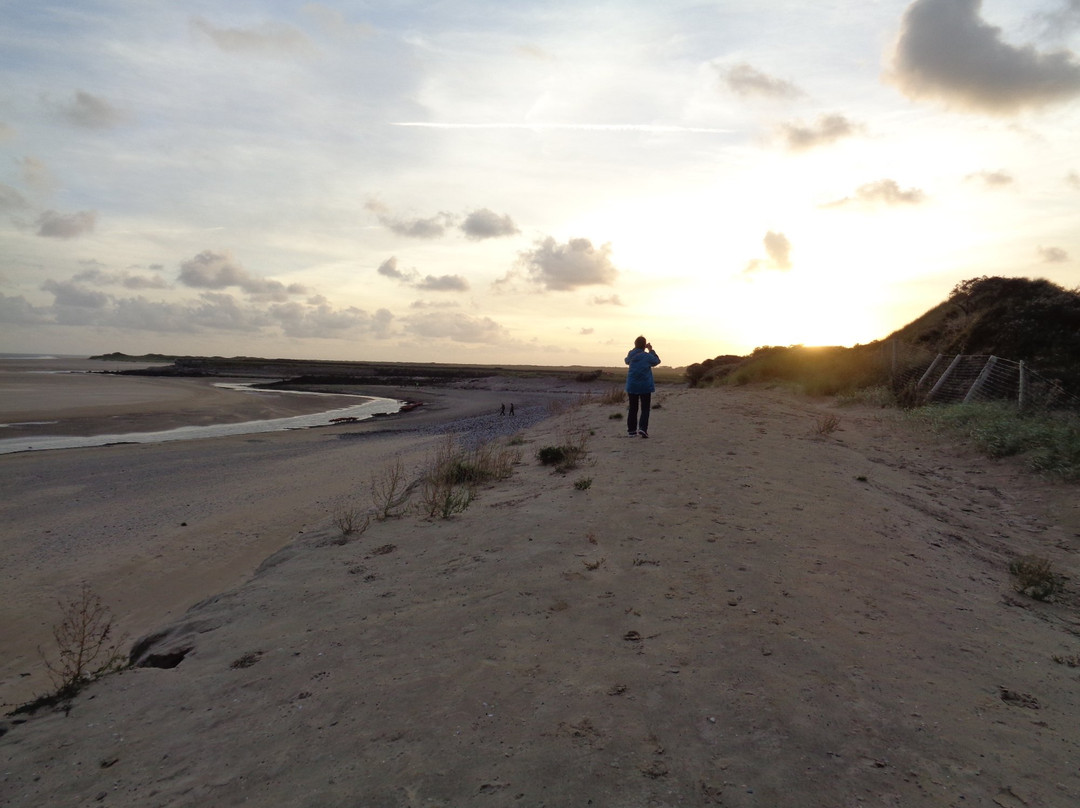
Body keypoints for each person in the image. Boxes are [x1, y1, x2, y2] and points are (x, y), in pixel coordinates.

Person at [624, 336, 661, 438]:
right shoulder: (647, 356)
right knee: (645, 408)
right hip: (645, 385)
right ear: (644, 345)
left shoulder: (631, 354)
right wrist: (651, 350)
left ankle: (631, 431)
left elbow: (626, 361)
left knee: (633, 408)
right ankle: (643, 429)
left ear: (635, 344)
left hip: (632, 385)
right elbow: (657, 361)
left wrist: (634, 350)